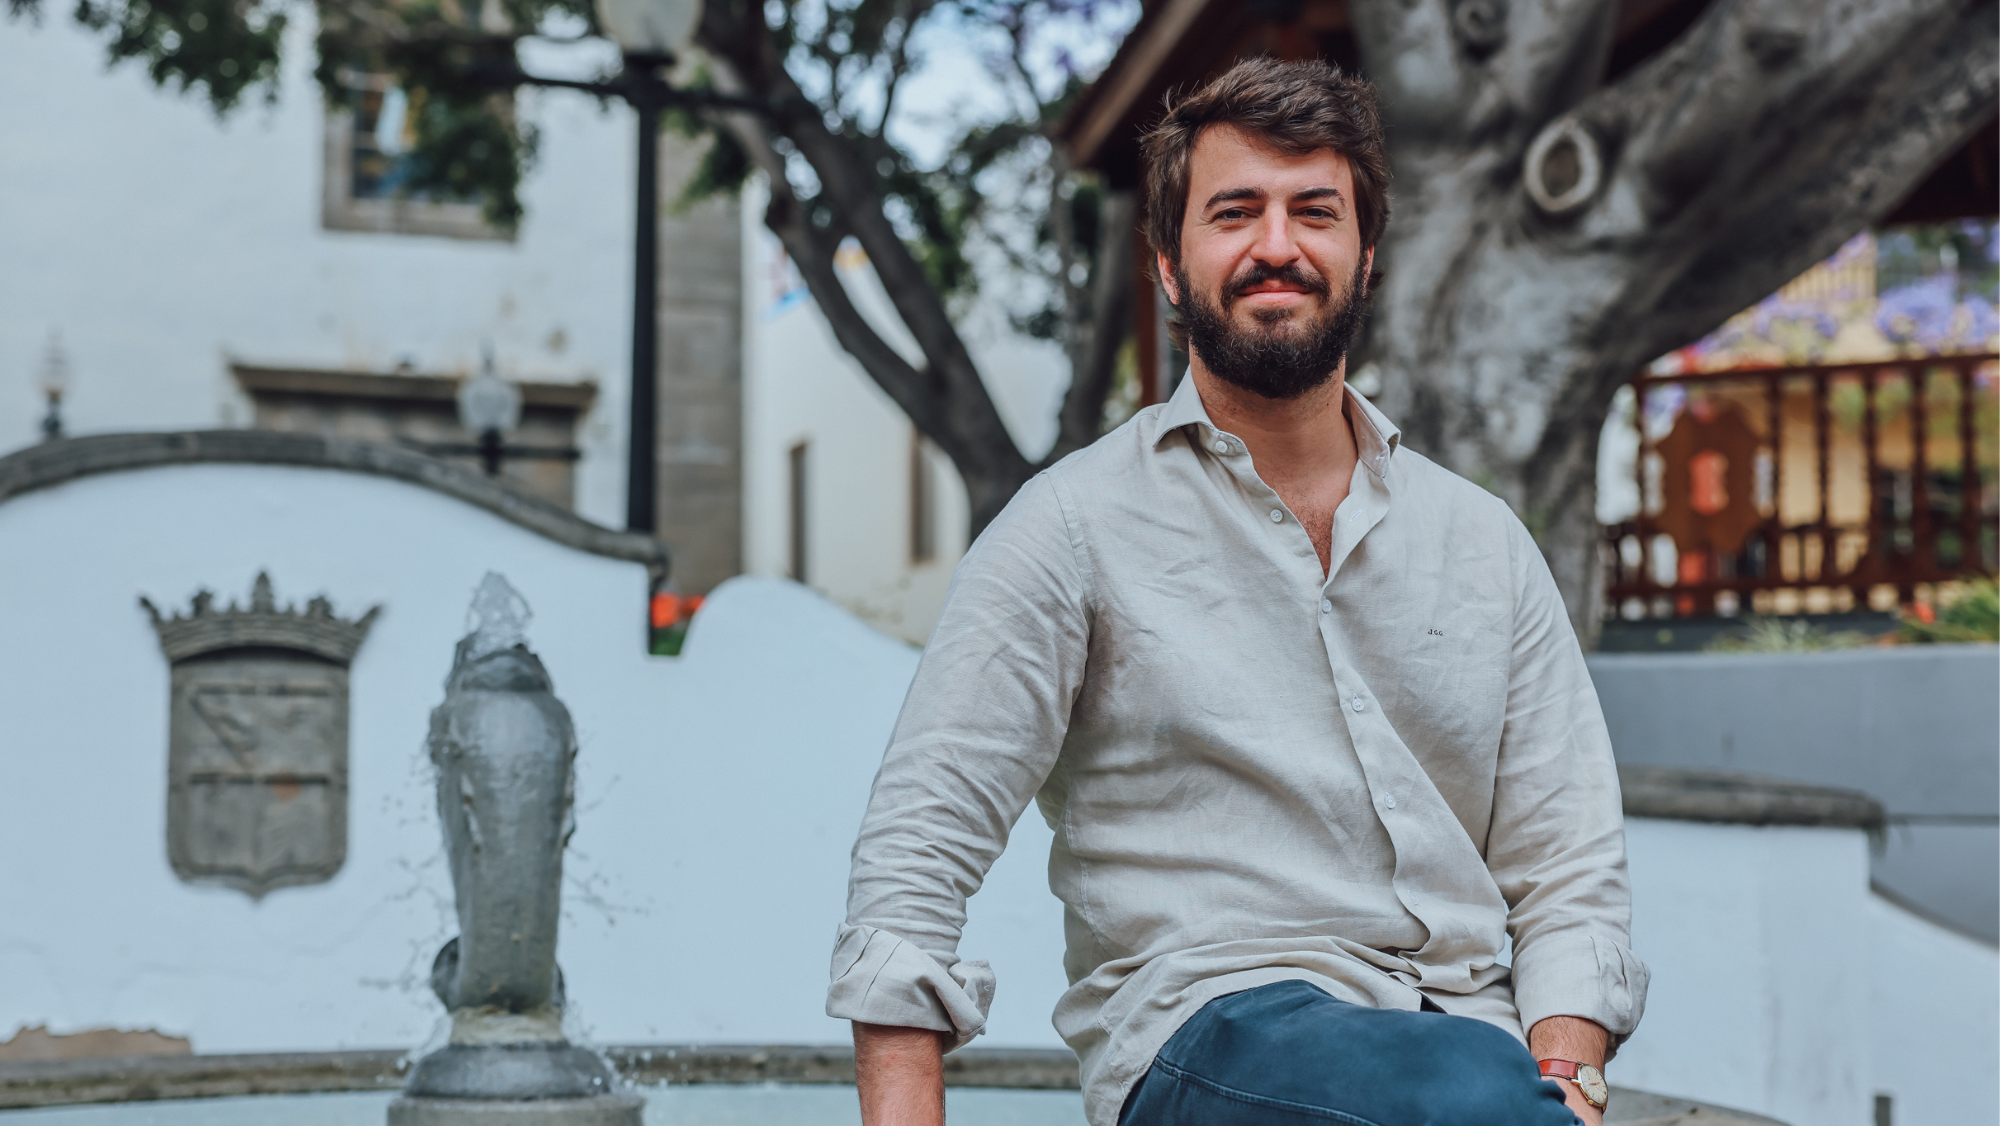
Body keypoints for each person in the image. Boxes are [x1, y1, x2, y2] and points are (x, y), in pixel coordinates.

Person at [825, 56, 1646, 1126]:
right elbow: (913, 863)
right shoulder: (1070, 527)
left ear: (1364, 258)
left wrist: (1567, 1084)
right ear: (1170, 266)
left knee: (1463, 1084)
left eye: (1315, 211)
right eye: (1234, 212)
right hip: (1205, 1036)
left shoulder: (1483, 542)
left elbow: (1568, 867)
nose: (1276, 245)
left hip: (1472, 1055)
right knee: (1455, 1090)